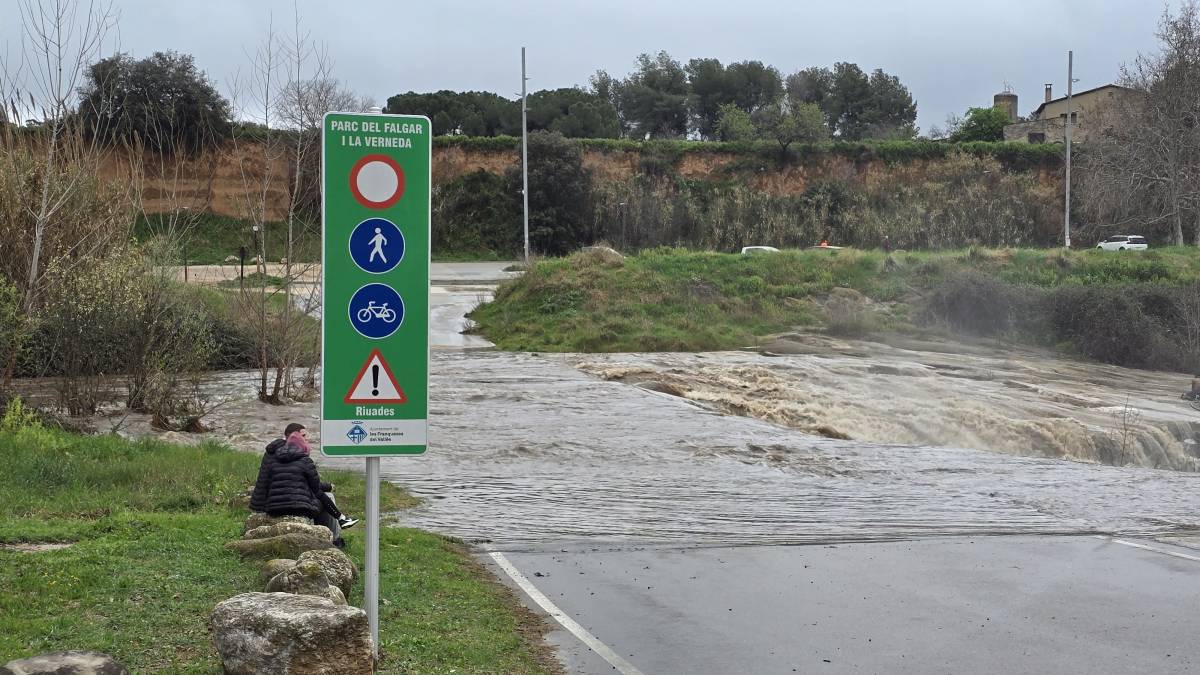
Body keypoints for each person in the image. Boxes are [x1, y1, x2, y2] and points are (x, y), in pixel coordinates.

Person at [261, 428, 358, 548]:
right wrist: (338, 514)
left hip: (273, 508)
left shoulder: (273, 460)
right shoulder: (305, 461)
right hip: (299, 508)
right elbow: (317, 490)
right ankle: (335, 538)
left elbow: (266, 485)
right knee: (327, 498)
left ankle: (339, 523)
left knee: (322, 498)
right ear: (303, 446)